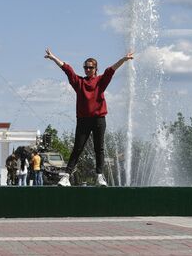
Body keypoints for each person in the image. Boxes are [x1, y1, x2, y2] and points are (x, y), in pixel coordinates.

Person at [45, 48, 134, 187]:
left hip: (98, 119)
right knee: (78, 148)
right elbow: (67, 69)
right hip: (83, 120)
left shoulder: (100, 81)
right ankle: (66, 176)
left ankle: (100, 176)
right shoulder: (78, 82)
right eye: (85, 67)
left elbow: (111, 70)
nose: (87, 70)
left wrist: (124, 59)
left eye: (90, 68)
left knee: (99, 148)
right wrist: (53, 57)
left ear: (95, 69)